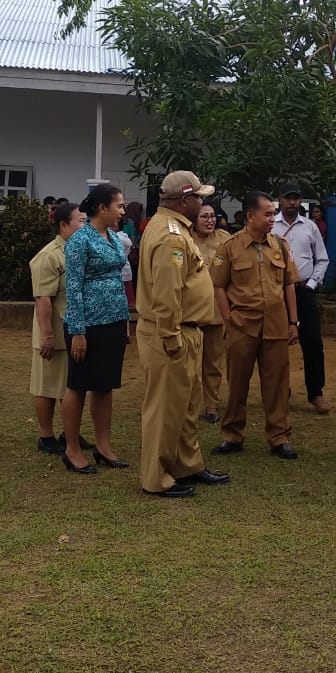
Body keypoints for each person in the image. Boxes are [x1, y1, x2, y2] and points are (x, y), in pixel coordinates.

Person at [136, 171, 231, 498]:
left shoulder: (170, 228)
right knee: (165, 409)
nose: (203, 203)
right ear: (183, 200)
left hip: (188, 331)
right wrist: (172, 337)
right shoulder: (172, 236)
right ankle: (157, 478)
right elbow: (167, 293)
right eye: (199, 197)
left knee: (187, 406)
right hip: (172, 334)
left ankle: (186, 464)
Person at [212, 190, 302, 460]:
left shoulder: (280, 245)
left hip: (275, 326)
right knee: (237, 383)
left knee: (276, 384)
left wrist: (293, 321)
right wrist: (229, 320)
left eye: (273, 213)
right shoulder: (229, 246)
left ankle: (279, 437)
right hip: (242, 326)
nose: (272, 218)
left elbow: (289, 286)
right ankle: (232, 435)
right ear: (250, 216)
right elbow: (218, 286)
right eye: (268, 213)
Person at [61, 184, 131, 474]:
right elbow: (73, 286)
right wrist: (78, 330)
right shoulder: (80, 241)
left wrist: (124, 321)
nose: (123, 211)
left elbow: (119, 278)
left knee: (105, 385)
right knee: (78, 385)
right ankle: (73, 448)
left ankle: (103, 445)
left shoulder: (114, 237)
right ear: (102, 208)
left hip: (113, 320)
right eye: (119, 206)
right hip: (87, 324)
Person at [28, 201, 87, 455]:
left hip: (73, 331)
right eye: (80, 221)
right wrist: (47, 336)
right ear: (64, 225)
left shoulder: (76, 250)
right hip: (53, 332)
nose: (84, 226)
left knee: (70, 386)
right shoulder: (49, 255)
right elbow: (43, 298)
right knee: (48, 387)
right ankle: (46, 435)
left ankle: (70, 433)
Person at [272, 181, 331, 413]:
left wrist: (313, 283)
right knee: (276, 342)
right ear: (280, 200)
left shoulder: (310, 227)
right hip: (277, 291)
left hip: (304, 290)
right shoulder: (271, 226)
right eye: (288, 198)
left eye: (296, 198)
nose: (292, 202)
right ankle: (279, 390)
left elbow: (322, 258)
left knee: (313, 342)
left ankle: (315, 393)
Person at [192, 201, 232, 423]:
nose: (209, 220)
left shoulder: (224, 239)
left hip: (217, 310)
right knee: (192, 363)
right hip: (193, 310)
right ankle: (191, 404)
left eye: (212, 216)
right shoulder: (187, 239)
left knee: (213, 362)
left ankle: (211, 405)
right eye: (203, 216)